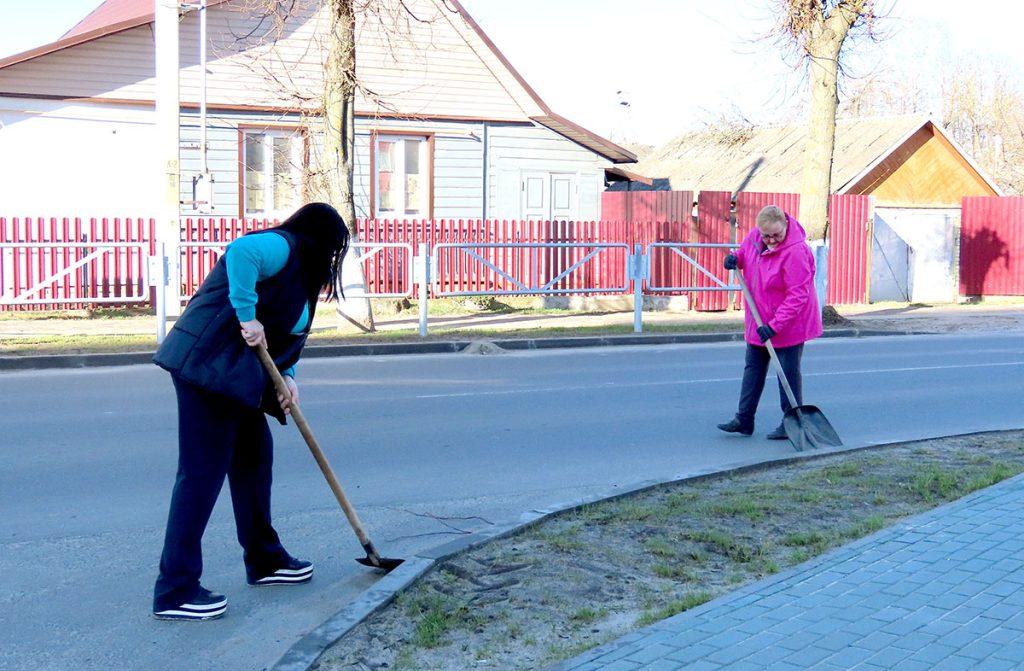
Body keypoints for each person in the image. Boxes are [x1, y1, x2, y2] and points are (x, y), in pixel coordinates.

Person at [151, 203, 350, 620]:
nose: (334, 260)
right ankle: (175, 589)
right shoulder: (283, 246)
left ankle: (265, 560)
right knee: (200, 475)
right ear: (321, 241)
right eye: (335, 250)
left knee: (254, 461)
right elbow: (240, 252)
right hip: (206, 370)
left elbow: (288, 333)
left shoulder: (302, 277)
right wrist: (247, 316)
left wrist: (289, 375)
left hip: (235, 379)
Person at [717, 205, 822, 440]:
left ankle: (791, 423)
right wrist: (735, 258)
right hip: (759, 317)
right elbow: (746, 255)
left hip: (790, 322)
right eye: (766, 235)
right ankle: (744, 419)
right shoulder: (755, 237)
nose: (771, 240)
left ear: (785, 226)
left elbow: (797, 295)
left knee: (787, 372)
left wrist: (775, 326)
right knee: (752, 369)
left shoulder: (796, 252)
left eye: (776, 235)